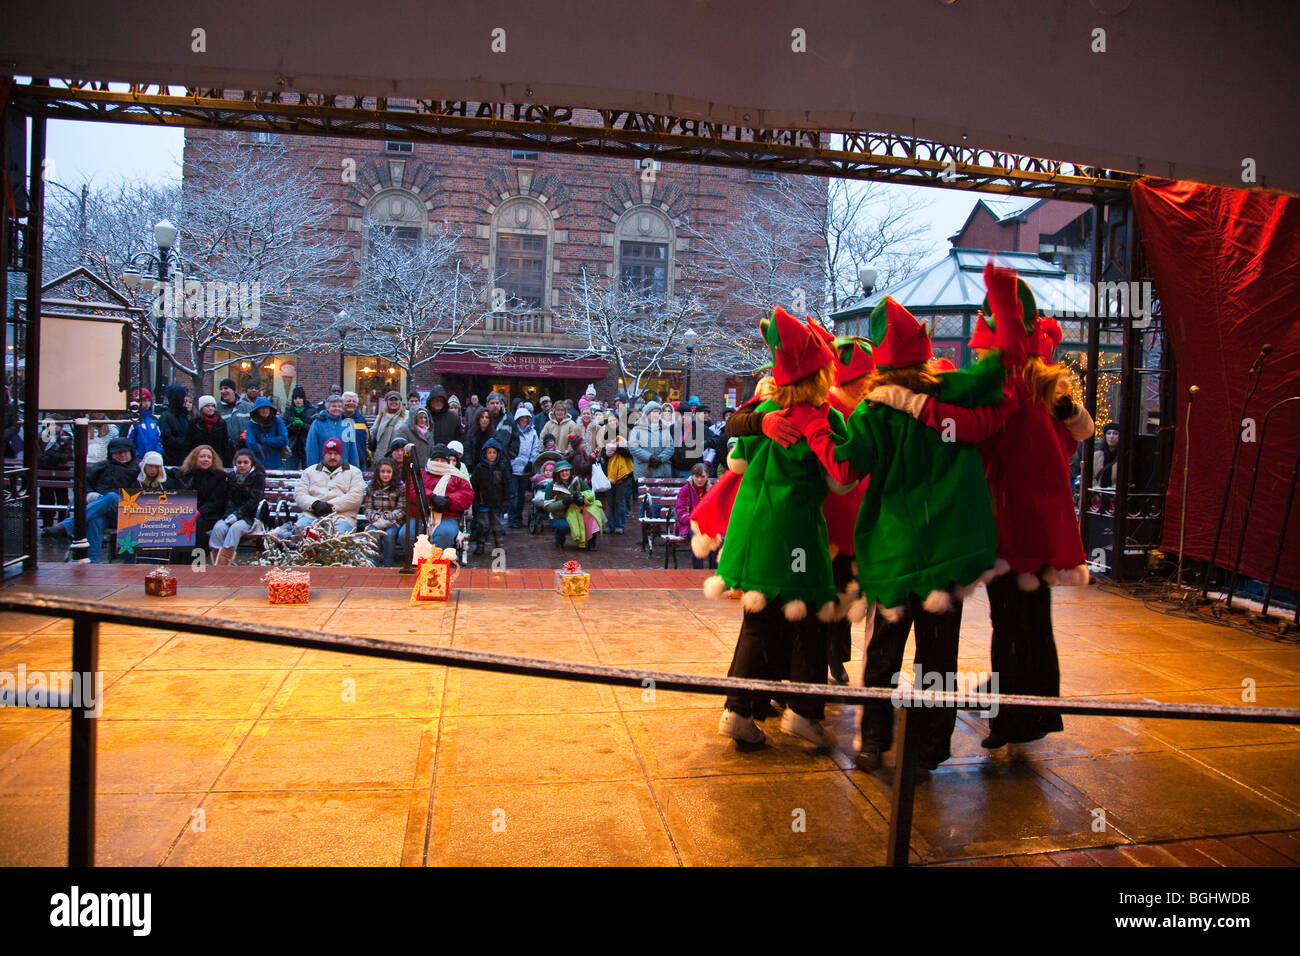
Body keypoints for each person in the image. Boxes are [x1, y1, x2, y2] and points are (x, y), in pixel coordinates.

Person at [706, 308, 855, 748]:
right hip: (796, 534)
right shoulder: (825, 417)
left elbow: (736, 459)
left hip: (752, 532)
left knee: (758, 623)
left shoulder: (766, 408)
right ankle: (803, 713)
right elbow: (840, 479)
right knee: (809, 621)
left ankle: (738, 710)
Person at [41, 437, 138, 562]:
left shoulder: (138, 468)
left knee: (112, 496)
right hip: (102, 511)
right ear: (111, 453)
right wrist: (91, 495)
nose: (122, 455)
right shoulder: (100, 467)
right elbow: (83, 487)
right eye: (117, 452)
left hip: (129, 514)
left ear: (131, 452)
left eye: (125, 452)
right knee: (95, 521)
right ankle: (93, 563)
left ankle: (67, 525)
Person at [277, 437, 366, 538]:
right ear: (324, 454)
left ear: (341, 454)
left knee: (339, 536)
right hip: (312, 515)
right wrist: (315, 504)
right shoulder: (309, 471)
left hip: (342, 518)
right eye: (329, 453)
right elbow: (300, 494)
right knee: (301, 529)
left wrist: (330, 506)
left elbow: (355, 497)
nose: (332, 457)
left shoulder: (354, 473)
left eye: (336, 454)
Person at [208, 448, 266, 565]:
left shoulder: (258, 477)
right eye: (239, 463)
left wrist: (237, 514)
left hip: (248, 517)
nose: (242, 465)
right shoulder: (232, 476)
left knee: (235, 529)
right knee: (218, 528)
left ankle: (223, 564)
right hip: (230, 514)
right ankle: (216, 563)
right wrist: (229, 514)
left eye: (245, 462)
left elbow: (254, 501)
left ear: (251, 463)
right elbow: (228, 499)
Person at [421, 444, 474, 550]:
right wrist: (431, 497)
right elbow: (414, 488)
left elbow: (467, 494)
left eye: (442, 460)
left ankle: (437, 562)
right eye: (436, 460)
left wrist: (448, 500)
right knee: (407, 534)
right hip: (422, 515)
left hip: (448, 516)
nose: (439, 463)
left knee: (444, 534)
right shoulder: (422, 473)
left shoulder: (457, 476)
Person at [543, 458, 603, 551]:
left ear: (570, 471)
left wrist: (582, 499)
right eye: (561, 471)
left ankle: (592, 539)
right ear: (557, 473)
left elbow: (590, 494)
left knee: (592, 514)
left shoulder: (577, 481)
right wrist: (564, 502)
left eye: (566, 470)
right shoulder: (551, 486)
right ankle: (559, 540)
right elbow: (548, 506)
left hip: (578, 512)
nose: (564, 473)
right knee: (563, 526)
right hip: (560, 515)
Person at [180, 443, 230, 555]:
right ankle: (177, 562)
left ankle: (198, 562)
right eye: (202, 456)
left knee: (196, 524)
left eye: (209, 457)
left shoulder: (219, 477)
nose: (205, 459)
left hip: (210, 515)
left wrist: (199, 512)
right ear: (195, 458)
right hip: (188, 512)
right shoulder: (187, 475)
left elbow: (217, 502)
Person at [363, 456, 406, 567]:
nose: (385, 475)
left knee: (389, 536)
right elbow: (367, 508)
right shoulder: (371, 487)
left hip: (393, 521)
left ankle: (388, 565)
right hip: (375, 521)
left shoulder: (400, 487)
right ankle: (373, 565)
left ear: (393, 473)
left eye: (388, 472)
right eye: (382, 472)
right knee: (373, 534)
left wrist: (388, 517)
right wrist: (375, 517)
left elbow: (402, 508)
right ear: (378, 472)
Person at [470, 438, 509, 555]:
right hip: (483, 502)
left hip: (497, 501)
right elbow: (474, 485)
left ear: (498, 454)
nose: (491, 455)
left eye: (494, 453)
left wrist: (506, 500)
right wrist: (476, 500)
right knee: (483, 525)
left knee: (497, 526)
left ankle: (499, 545)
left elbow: (507, 485)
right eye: (489, 453)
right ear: (485, 454)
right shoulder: (480, 468)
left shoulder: (502, 468)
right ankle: (480, 544)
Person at [676, 463, 717, 568]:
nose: (699, 480)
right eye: (697, 476)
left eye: (702, 477)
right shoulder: (685, 490)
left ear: (707, 476)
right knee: (697, 538)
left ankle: (714, 572)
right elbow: (681, 513)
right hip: (690, 525)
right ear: (692, 476)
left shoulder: (712, 490)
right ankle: (698, 573)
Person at [304, 394, 360, 467]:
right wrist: (313, 469)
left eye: (339, 406)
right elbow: (311, 448)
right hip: (323, 469)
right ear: (327, 408)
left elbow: (352, 449)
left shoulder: (347, 424)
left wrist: (355, 469)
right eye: (334, 406)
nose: (337, 408)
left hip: (343, 469)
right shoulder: (317, 423)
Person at [508, 407, 541, 528]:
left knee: (521, 495)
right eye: (521, 418)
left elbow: (535, 448)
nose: (524, 420)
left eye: (526, 418)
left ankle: (518, 516)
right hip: (513, 466)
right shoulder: (513, 431)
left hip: (525, 468)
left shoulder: (532, 432)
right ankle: (512, 518)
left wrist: (531, 462)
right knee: (513, 494)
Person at [600, 432, 635, 535]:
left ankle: (619, 525)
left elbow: (629, 454)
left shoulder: (623, 443)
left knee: (620, 502)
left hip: (622, 478)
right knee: (610, 502)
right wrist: (606, 454)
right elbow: (603, 457)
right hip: (608, 477)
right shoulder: (605, 446)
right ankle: (609, 525)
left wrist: (616, 448)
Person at [629, 401, 673, 480]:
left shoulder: (664, 429)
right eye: (655, 412)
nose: (657, 415)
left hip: (662, 472)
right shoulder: (637, 429)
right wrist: (650, 457)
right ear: (647, 414)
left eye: (659, 413)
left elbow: (670, 447)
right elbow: (633, 448)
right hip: (644, 472)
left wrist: (660, 459)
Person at [186, 395, 235, 465]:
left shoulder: (221, 423)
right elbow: (189, 444)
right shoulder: (194, 423)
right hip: (199, 461)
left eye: (213, 406)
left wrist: (228, 464)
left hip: (217, 460)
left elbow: (225, 445)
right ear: (202, 408)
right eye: (207, 406)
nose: (210, 408)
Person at [243, 396, 288, 470]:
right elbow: (251, 445)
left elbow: (284, 440)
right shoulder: (251, 424)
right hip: (258, 464)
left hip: (276, 464)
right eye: (261, 408)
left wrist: (264, 440)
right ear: (257, 410)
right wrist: (273, 446)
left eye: (267, 407)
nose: (265, 410)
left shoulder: (278, 421)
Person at [156, 384, 191, 467]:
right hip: (172, 460)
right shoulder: (166, 417)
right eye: (183, 396)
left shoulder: (184, 415)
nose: (186, 399)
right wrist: (185, 443)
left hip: (185, 458)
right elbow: (166, 439)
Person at [370, 390, 408, 461]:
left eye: (396, 400)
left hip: (400, 455)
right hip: (381, 453)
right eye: (391, 400)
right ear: (387, 402)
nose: (393, 402)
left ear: (400, 401)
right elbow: (373, 432)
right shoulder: (381, 415)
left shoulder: (407, 416)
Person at [128, 388, 163, 459]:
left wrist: (158, 453)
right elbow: (128, 442)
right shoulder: (131, 420)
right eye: (144, 400)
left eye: (149, 400)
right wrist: (136, 456)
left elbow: (159, 439)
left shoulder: (154, 420)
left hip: (153, 459)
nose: (147, 403)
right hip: (137, 460)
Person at [283, 386, 313, 469]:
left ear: (303, 398)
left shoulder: (311, 410)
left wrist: (303, 425)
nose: (298, 400)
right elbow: (284, 430)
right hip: (292, 447)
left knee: (307, 473)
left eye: (300, 398)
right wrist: (293, 425)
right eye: (295, 398)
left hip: (306, 447)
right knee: (290, 474)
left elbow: (313, 429)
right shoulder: (288, 411)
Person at [397, 406, 434, 472]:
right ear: (414, 418)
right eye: (420, 417)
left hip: (426, 469)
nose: (423, 420)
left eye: (425, 417)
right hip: (409, 469)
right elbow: (400, 450)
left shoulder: (429, 432)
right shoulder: (404, 430)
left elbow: (432, 450)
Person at [341, 391, 370, 467]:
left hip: (360, 463)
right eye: (348, 401)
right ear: (342, 403)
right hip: (340, 463)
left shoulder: (361, 420)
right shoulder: (337, 419)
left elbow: (368, 440)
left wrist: (366, 455)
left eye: (354, 401)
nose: (351, 403)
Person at [1094, 422, 1120, 488]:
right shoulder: (1097, 455)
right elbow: (1089, 476)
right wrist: (1095, 487)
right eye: (1109, 433)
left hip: (1114, 495)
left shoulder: (1124, 456)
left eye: (1115, 433)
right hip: (1098, 494)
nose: (1111, 436)